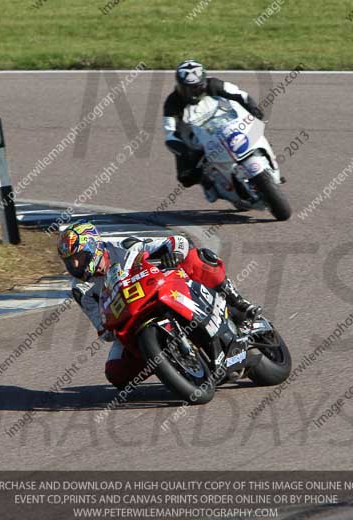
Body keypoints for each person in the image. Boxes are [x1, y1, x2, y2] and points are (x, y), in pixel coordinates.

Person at [57, 221, 261, 388]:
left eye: (79, 258)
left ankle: (237, 302)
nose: (75, 266)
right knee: (116, 373)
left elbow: (177, 241)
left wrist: (173, 254)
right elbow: (102, 328)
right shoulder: (80, 289)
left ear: (95, 247)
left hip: (159, 288)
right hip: (129, 319)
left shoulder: (123, 245)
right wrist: (109, 325)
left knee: (195, 256)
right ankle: (169, 363)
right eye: (70, 262)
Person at [163, 59, 265, 203]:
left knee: (256, 127)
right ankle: (208, 182)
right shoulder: (172, 102)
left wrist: (254, 109)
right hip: (194, 134)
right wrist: (184, 150)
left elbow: (240, 95)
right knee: (186, 177)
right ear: (179, 86)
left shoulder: (215, 84)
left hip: (225, 121)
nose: (191, 93)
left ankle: (265, 155)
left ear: (203, 82)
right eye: (187, 88)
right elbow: (170, 133)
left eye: (196, 87)